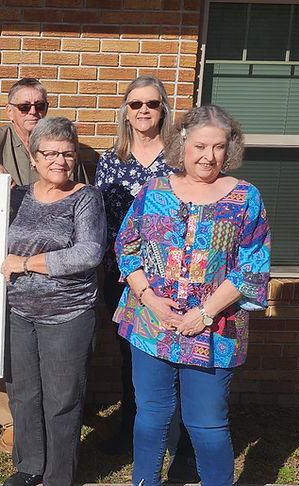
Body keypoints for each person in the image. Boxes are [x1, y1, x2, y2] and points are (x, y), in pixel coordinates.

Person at [113, 105, 270, 486]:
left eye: (218, 147)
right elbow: (126, 247)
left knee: (207, 422)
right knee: (151, 414)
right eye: (200, 146)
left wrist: (203, 313)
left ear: (230, 148)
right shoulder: (154, 191)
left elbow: (252, 267)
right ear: (182, 144)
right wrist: (150, 300)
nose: (208, 156)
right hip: (151, 323)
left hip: (214, 329)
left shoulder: (245, 198)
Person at [0, 78, 87, 453]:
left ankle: (51, 423)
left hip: (56, 268)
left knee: (55, 357)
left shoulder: (60, 142)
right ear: (9, 110)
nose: (33, 112)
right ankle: (12, 421)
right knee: (9, 344)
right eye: (24, 106)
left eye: (39, 105)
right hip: (7, 258)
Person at [0, 117, 105, 486]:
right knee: (23, 394)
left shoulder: (86, 197)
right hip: (19, 313)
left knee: (62, 399)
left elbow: (89, 253)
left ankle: (58, 476)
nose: (59, 161)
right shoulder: (19, 196)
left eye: (67, 153)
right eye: (49, 153)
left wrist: (26, 263)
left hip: (68, 314)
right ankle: (30, 466)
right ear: (33, 158)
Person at [93, 74, 198, 480]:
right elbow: (102, 219)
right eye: (135, 104)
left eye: (151, 104)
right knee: (132, 356)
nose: (143, 111)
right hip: (122, 275)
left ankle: (184, 448)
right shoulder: (110, 159)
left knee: (181, 358)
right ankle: (131, 433)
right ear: (126, 111)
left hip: (174, 277)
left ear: (163, 110)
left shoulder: (179, 157)